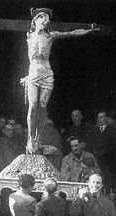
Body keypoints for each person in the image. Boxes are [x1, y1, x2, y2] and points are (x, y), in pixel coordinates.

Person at [21, 8, 99, 154]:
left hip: (47, 73)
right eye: (42, 17)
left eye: (47, 18)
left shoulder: (50, 36)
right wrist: (27, 75)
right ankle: (30, 139)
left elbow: (71, 33)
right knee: (33, 106)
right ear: (36, 20)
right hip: (33, 73)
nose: (46, 20)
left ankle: (37, 138)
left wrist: (88, 30)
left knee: (42, 106)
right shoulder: (29, 36)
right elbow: (28, 58)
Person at [87, 111, 116, 192]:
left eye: (102, 117)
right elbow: (90, 143)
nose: (100, 119)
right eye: (98, 117)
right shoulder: (94, 130)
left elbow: (114, 145)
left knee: (107, 181)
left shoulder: (112, 130)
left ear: (106, 118)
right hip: (96, 160)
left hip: (108, 161)